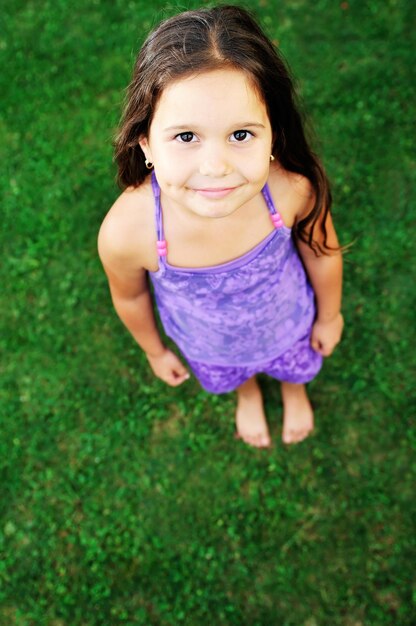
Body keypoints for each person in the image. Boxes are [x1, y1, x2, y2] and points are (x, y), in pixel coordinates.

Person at [98, 5, 343, 449]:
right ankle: (247, 393)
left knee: (294, 364)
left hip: (287, 324)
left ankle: (293, 387)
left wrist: (328, 315)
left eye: (241, 135)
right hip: (210, 347)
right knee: (236, 377)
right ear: (146, 141)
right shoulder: (127, 233)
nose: (215, 168)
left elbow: (320, 251)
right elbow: (129, 295)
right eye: (186, 137)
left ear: (273, 135)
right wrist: (155, 350)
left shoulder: (290, 191)